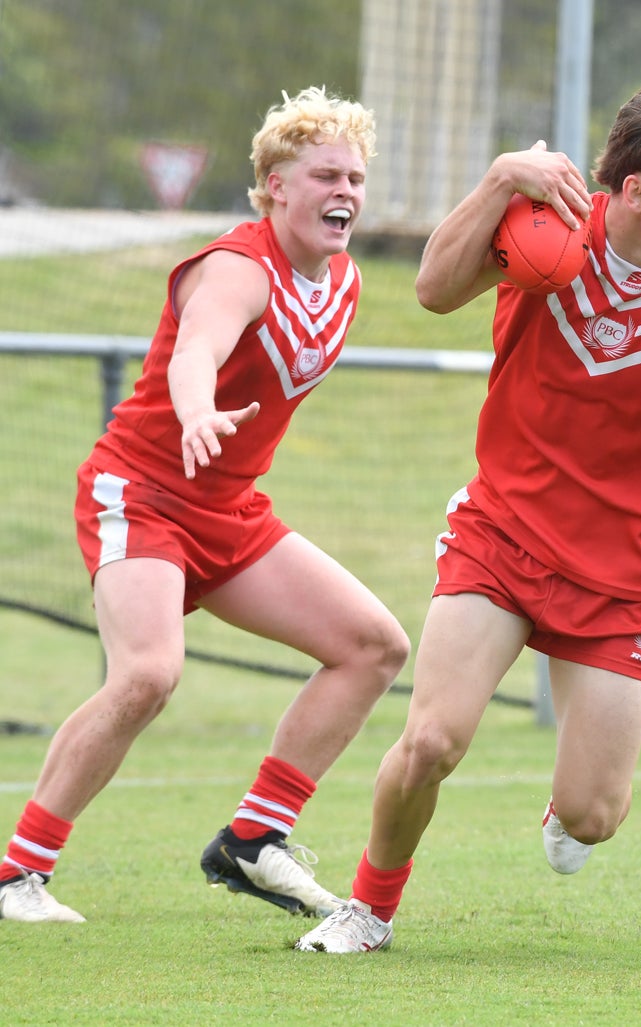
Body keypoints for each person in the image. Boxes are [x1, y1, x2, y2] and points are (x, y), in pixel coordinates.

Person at [293, 82, 641, 954]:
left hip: (622, 578)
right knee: (430, 738)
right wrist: (500, 179)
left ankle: (570, 806)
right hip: (501, 537)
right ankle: (367, 908)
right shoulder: (542, 235)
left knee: (592, 818)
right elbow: (432, 290)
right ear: (633, 191)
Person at [0, 87, 409, 924]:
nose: (345, 192)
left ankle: (255, 838)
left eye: (356, 178)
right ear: (274, 185)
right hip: (140, 490)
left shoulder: (346, 281)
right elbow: (199, 347)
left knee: (373, 645)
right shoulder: (237, 265)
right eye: (325, 174)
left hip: (227, 508)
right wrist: (195, 408)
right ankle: (16, 875)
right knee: (149, 672)